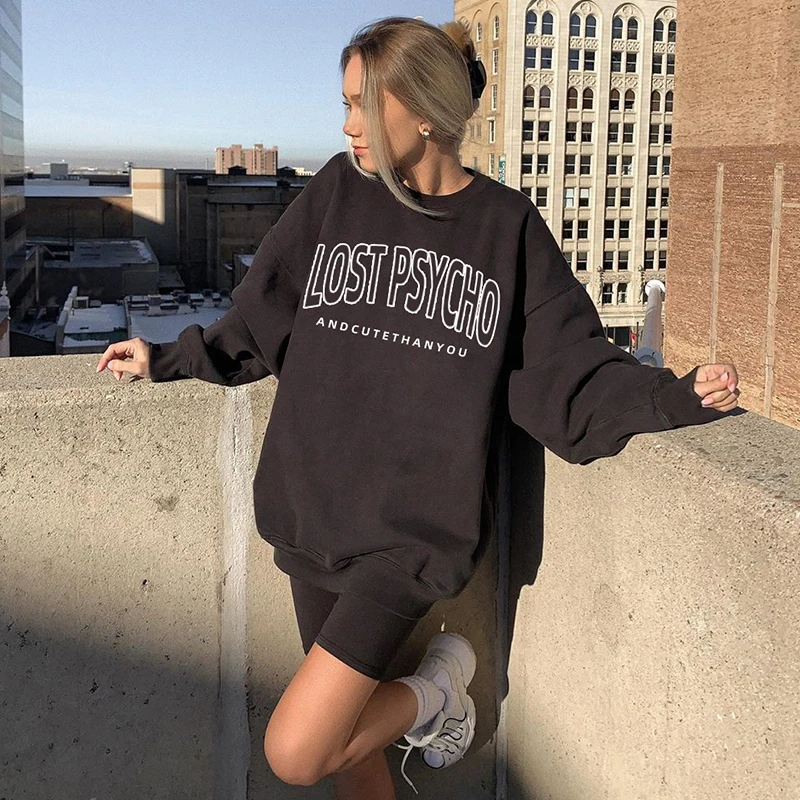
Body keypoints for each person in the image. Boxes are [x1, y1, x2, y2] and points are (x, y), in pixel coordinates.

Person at [95, 16, 740, 799]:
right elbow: (260, 318)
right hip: (312, 508)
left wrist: (673, 396)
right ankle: (424, 702)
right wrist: (165, 358)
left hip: (409, 536)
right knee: (349, 755)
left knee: (299, 751)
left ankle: (436, 692)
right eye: (344, 104)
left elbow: (564, 366)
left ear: (426, 113)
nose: (347, 126)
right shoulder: (335, 194)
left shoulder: (505, 229)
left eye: (362, 105)